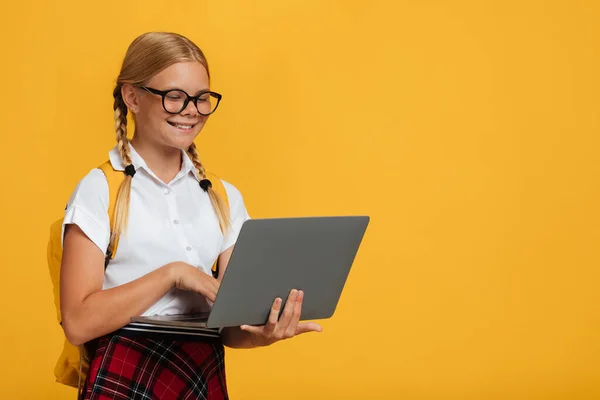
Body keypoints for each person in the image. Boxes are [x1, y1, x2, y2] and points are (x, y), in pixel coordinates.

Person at [60, 31, 322, 400]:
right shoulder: (100, 188)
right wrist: (174, 274)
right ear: (132, 96)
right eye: (175, 97)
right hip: (125, 368)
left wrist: (262, 333)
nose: (192, 111)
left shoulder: (223, 198)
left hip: (202, 369)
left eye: (202, 99)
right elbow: (77, 322)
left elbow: (231, 329)